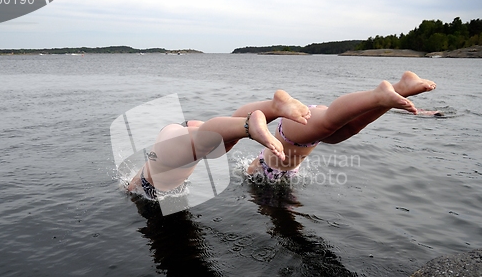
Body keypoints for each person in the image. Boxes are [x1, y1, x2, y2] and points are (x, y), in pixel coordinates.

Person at [128, 71, 436, 198]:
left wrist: (132, 188)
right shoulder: (278, 154)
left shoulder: (151, 175)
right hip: (285, 130)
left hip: (164, 159)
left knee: (209, 143)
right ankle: (393, 90)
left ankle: (255, 122)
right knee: (342, 129)